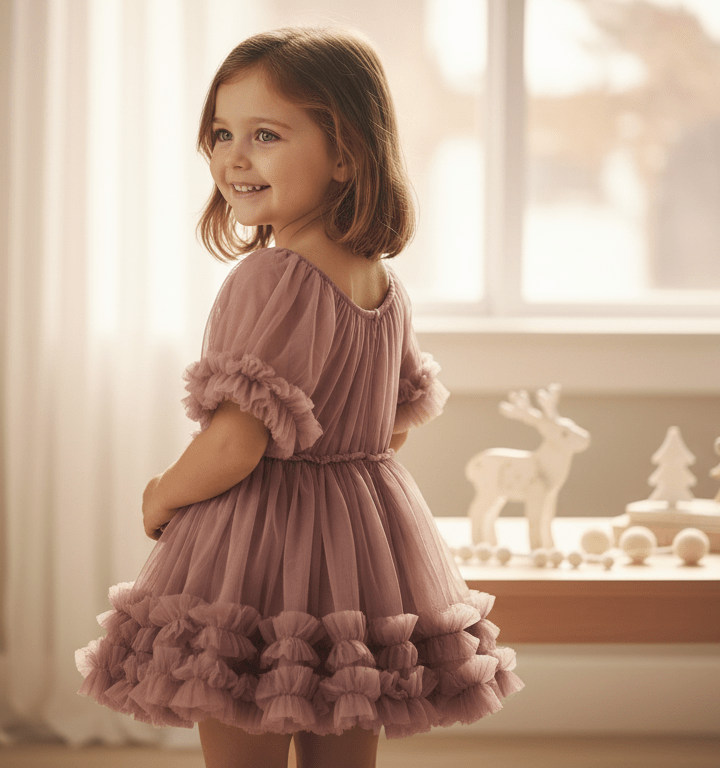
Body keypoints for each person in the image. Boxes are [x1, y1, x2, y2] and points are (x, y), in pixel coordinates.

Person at [76, 26, 523, 768]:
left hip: (257, 548)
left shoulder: (270, 278)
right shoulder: (384, 286)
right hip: (364, 550)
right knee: (343, 736)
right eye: (221, 133)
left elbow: (234, 443)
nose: (234, 157)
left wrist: (161, 495)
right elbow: (392, 429)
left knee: (242, 734)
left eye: (267, 134)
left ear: (346, 154)